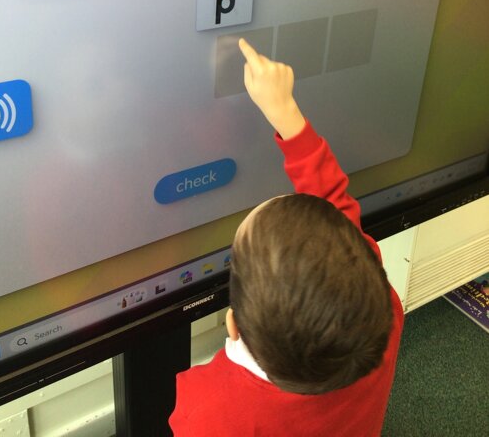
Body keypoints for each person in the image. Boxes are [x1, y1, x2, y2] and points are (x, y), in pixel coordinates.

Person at [169, 38, 404, 437]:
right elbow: (334, 208)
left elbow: (334, 210)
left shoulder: (209, 413)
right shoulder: (383, 318)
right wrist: (284, 112)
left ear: (233, 325)